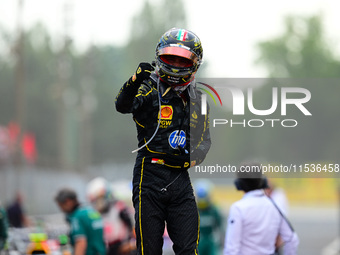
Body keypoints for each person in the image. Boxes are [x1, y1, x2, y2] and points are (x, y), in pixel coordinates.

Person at [115, 28, 211, 254]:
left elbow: (204, 142)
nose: (176, 64)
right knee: (149, 250)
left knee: (189, 250)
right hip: (148, 176)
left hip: (180, 178)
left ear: (195, 64)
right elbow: (122, 106)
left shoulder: (200, 99)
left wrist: (189, 161)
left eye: (183, 59)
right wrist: (134, 80)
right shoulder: (148, 87)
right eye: (171, 57)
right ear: (159, 56)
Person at [223, 164, 299, 255]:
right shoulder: (274, 206)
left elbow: (231, 249)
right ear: (263, 182)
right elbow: (292, 239)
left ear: (239, 184)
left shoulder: (238, 208)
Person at [86, 177, 136, 255]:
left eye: (100, 199)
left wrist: (130, 243)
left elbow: (132, 226)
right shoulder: (95, 214)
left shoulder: (119, 208)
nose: (98, 203)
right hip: (108, 249)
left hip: (124, 246)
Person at [55, 188, 106, 255]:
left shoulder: (76, 217)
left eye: (61, 206)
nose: (62, 209)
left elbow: (80, 242)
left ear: (68, 202)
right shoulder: (91, 211)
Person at [194, 179, 223, 255]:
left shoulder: (213, 210)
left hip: (211, 241)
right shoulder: (194, 210)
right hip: (198, 242)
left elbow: (220, 226)